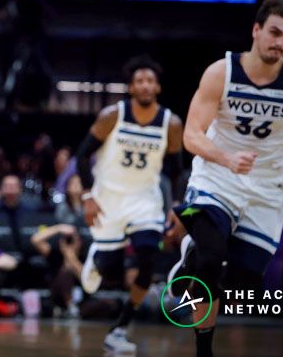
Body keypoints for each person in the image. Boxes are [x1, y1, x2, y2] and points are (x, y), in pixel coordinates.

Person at [170, 0, 283, 357]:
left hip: (266, 190)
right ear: (256, 31)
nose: (280, 42)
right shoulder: (221, 72)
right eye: (274, 33)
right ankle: (203, 347)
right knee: (210, 259)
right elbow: (192, 135)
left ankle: (193, 262)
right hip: (217, 177)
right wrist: (226, 157)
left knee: (244, 284)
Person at [73, 56, 183, 353]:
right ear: (131, 87)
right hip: (108, 199)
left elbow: (176, 170)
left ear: (157, 87)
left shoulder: (171, 123)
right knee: (112, 270)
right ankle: (98, 258)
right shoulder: (112, 115)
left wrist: (177, 206)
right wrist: (87, 196)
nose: (145, 85)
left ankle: (120, 328)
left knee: (147, 260)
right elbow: (82, 156)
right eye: (139, 81)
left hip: (145, 201)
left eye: (150, 80)